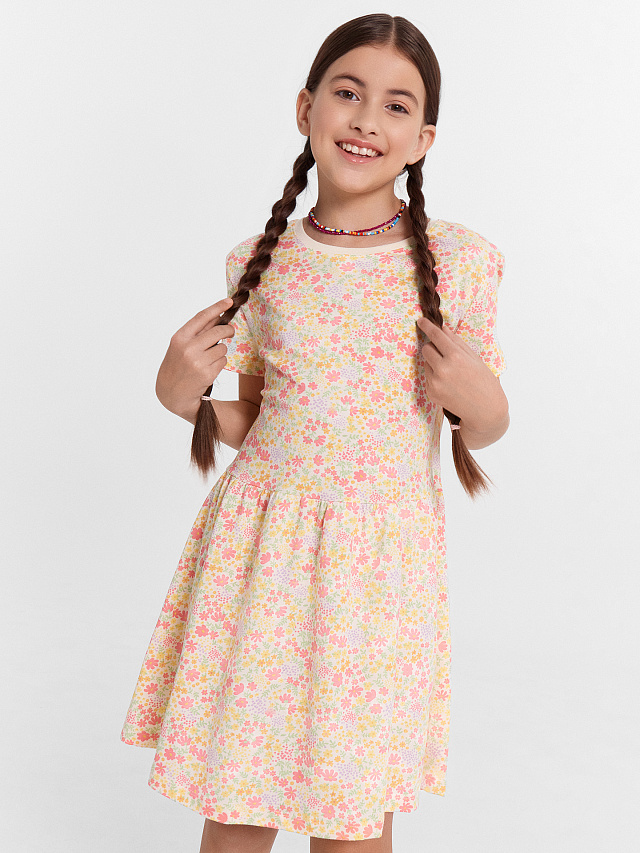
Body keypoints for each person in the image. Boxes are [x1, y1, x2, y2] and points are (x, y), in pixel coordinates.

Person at [120, 13, 509, 853]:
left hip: (377, 574)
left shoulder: (459, 261)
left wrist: (484, 399)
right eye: (347, 93)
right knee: (239, 801)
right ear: (306, 109)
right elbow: (265, 417)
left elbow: (482, 424)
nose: (366, 119)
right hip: (262, 554)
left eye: (397, 105)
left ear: (423, 139)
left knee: (350, 818)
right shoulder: (258, 262)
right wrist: (181, 399)